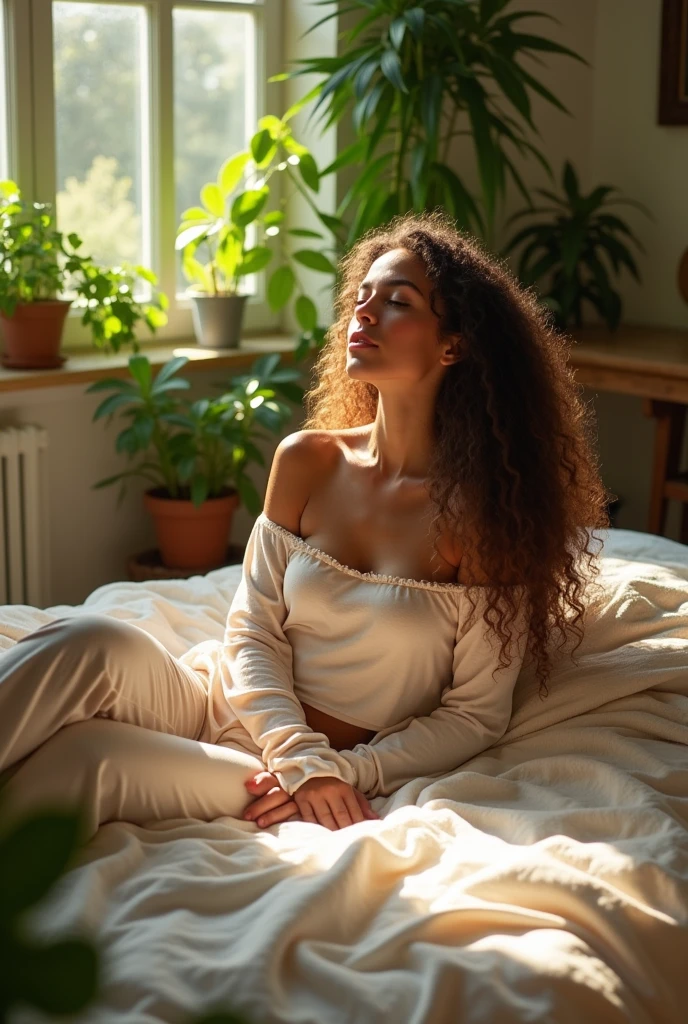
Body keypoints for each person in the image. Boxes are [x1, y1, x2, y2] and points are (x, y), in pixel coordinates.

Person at [0, 211, 609, 841]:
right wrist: (299, 753)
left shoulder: (480, 519)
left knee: (86, 756)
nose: (363, 314)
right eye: (361, 297)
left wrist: (341, 773)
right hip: (219, 702)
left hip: (256, 773)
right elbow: (253, 628)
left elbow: (475, 715)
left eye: (396, 302)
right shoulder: (308, 460)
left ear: (453, 345)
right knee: (85, 639)